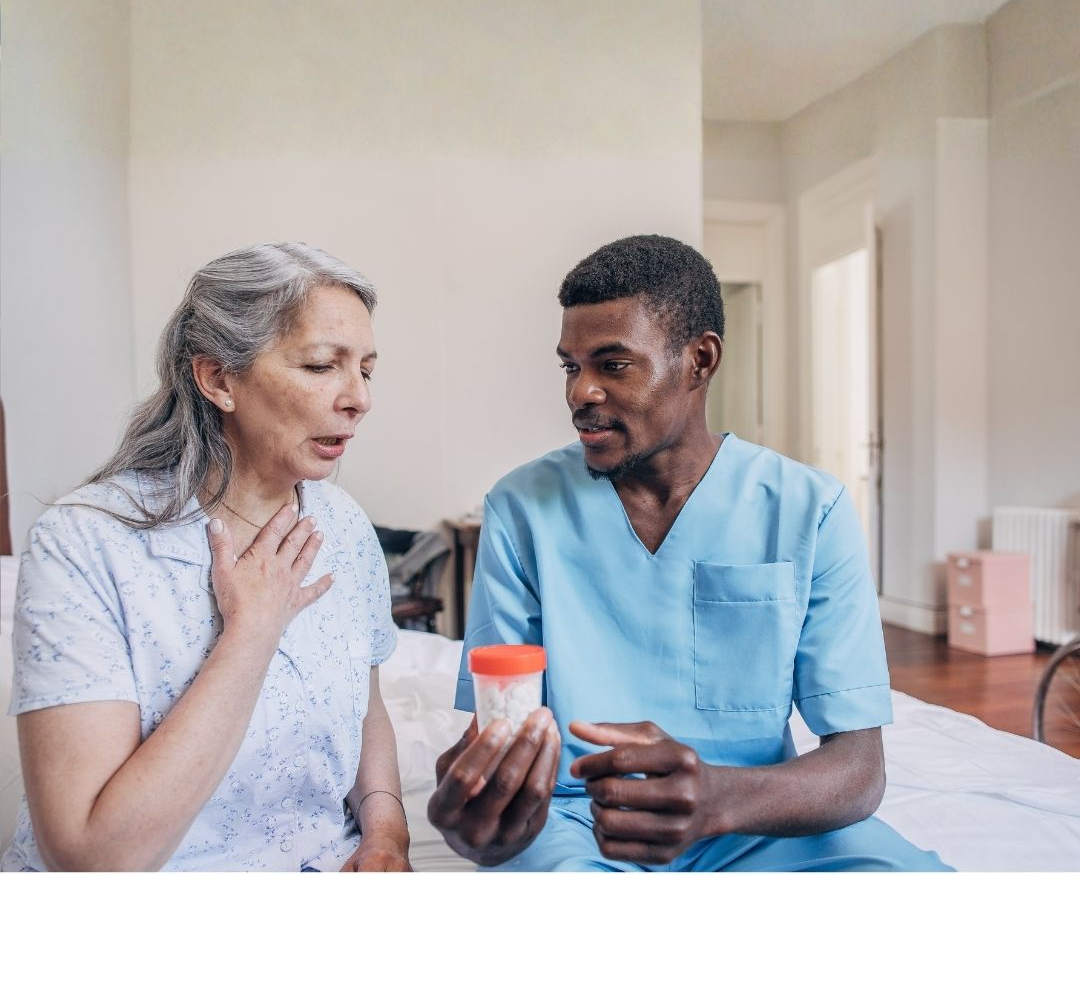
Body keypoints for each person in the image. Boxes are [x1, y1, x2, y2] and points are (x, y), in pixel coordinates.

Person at [428, 233, 951, 872]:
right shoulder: (521, 509)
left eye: (612, 365)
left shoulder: (809, 509)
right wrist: (482, 815)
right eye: (571, 366)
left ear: (700, 361)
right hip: (573, 820)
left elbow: (858, 770)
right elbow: (498, 734)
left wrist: (716, 799)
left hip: (753, 818)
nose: (579, 394)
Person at [2, 242, 410, 872]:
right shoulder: (84, 543)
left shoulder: (342, 524)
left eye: (367, 369)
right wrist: (252, 632)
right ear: (219, 378)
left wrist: (386, 831)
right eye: (323, 365)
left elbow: (367, 704)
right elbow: (90, 861)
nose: (359, 398)